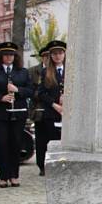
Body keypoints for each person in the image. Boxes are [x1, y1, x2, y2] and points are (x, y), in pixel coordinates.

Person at [0, 42, 34, 188]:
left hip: (18, 113)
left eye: (11, 55)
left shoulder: (22, 72)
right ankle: (3, 176)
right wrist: (0, 98)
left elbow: (31, 90)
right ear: (1, 56)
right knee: (1, 144)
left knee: (16, 144)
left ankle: (14, 175)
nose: (9, 57)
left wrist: (18, 90)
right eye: (6, 55)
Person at [35, 40, 66, 176]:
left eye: (60, 53)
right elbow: (41, 93)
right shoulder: (45, 72)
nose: (57, 56)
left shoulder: (72, 70)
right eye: (54, 54)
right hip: (52, 112)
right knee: (52, 140)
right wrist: (55, 105)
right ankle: (52, 167)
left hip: (69, 112)